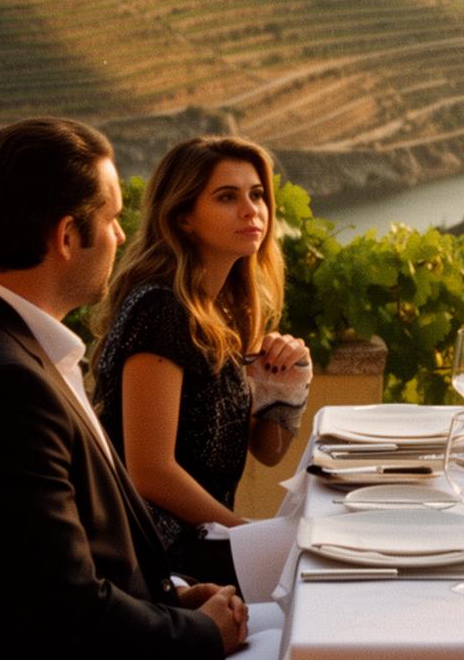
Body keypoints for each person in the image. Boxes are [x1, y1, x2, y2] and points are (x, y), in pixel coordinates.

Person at [0, 118, 242, 660]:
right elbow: (69, 618)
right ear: (68, 237)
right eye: (114, 220)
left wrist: (172, 598)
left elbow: (45, 571)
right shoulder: (4, 387)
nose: (122, 238)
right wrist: (202, 637)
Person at [91, 136, 311, 588]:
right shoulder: (161, 309)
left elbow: (268, 452)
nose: (251, 210)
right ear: (183, 217)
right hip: (156, 554)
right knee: (322, 564)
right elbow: (150, 471)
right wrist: (246, 532)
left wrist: (286, 389)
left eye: (256, 195)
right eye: (227, 197)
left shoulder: (220, 311)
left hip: (199, 538)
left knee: (329, 554)